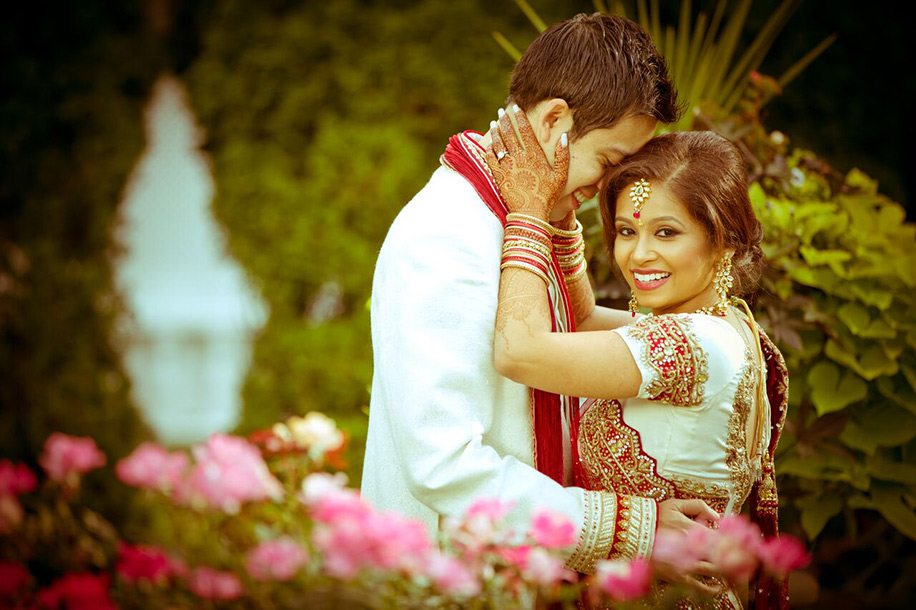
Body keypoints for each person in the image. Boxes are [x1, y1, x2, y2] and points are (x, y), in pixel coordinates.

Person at [361, 12, 720, 575]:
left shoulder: (515, 220)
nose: (610, 188)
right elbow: (441, 463)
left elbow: (575, 329)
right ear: (555, 119)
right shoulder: (447, 237)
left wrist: (708, 340)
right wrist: (629, 527)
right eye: (609, 162)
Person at [487, 112, 790, 608]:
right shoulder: (725, 327)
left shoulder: (688, 344)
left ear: (724, 240)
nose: (638, 255)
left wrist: (527, 212)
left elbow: (519, 350)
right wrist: (561, 215)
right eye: (627, 231)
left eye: (666, 233)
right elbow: (583, 321)